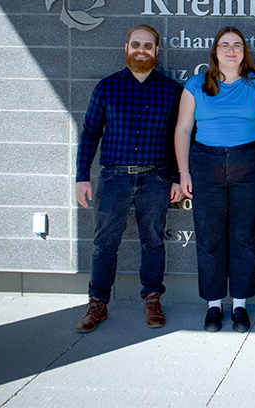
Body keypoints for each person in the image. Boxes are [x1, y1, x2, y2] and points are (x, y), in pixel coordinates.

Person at [75, 24, 183, 333]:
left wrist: (177, 177)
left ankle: (152, 299)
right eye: (136, 44)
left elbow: (179, 136)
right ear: (126, 48)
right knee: (104, 242)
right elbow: (90, 133)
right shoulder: (107, 87)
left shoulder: (170, 90)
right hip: (113, 179)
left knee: (153, 241)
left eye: (148, 46)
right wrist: (82, 176)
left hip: (156, 178)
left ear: (156, 51)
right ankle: (98, 303)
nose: (141, 50)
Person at [175, 26, 255, 334]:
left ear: (245, 51)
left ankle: (239, 304)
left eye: (237, 45)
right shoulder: (196, 84)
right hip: (205, 163)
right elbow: (183, 130)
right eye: (225, 45)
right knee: (209, 235)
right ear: (215, 52)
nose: (231, 50)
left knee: (244, 236)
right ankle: (213, 305)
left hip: (248, 162)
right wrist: (184, 171)